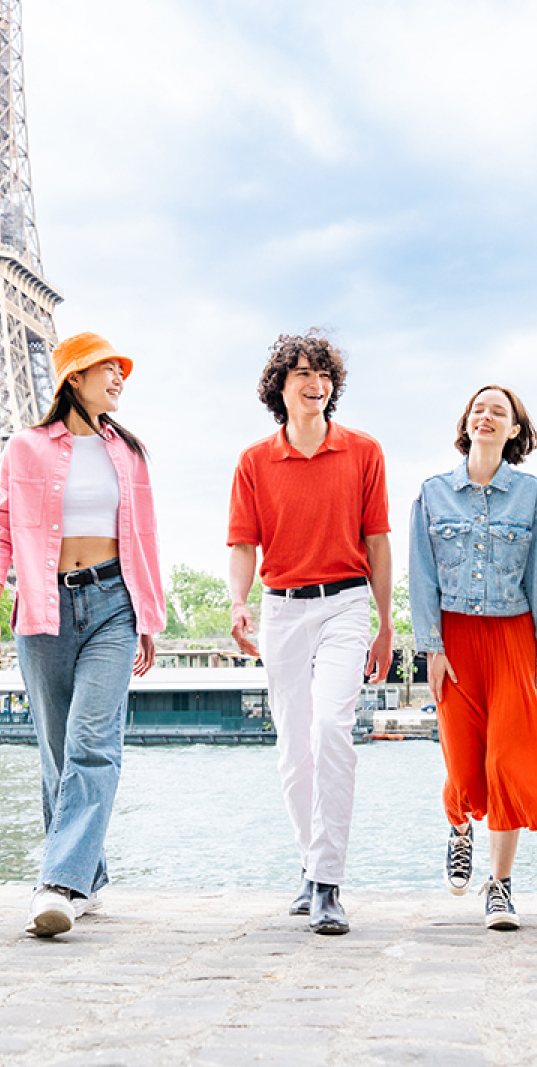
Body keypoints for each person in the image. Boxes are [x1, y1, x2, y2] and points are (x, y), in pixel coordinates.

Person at [0, 332, 164, 938]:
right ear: (73, 380)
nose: (118, 379)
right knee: (57, 753)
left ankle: (57, 883)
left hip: (114, 602)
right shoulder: (25, 449)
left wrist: (149, 616)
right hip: (43, 604)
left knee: (91, 742)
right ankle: (88, 877)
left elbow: (144, 539)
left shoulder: (129, 453)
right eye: (106, 369)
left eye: (121, 371)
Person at [228, 331, 392, 936]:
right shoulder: (253, 461)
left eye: (323, 373)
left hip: (346, 603)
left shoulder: (364, 452)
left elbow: (377, 541)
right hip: (281, 610)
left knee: (331, 730)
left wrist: (385, 621)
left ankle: (328, 883)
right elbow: (244, 544)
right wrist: (238, 603)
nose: (314, 382)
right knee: (293, 750)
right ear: (280, 387)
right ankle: (309, 865)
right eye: (301, 372)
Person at [408, 384, 537, 931]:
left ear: (514, 431)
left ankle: (500, 887)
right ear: (466, 424)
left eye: (498, 412)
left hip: (513, 636)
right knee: (463, 761)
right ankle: (460, 827)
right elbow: (422, 576)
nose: (486, 417)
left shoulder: (531, 495)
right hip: (454, 638)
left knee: (508, 761)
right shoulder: (433, 493)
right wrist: (431, 646)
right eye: (478, 409)